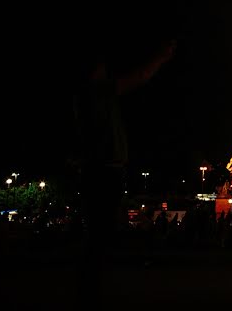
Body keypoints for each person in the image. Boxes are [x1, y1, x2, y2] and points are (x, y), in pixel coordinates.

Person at [70, 38, 175, 306]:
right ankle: (89, 290)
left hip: (100, 170)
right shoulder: (96, 94)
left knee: (99, 234)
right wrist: (160, 58)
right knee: (100, 234)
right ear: (94, 71)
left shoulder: (90, 96)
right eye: (104, 68)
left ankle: (89, 289)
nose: (108, 72)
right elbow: (138, 77)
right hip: (104, 171)